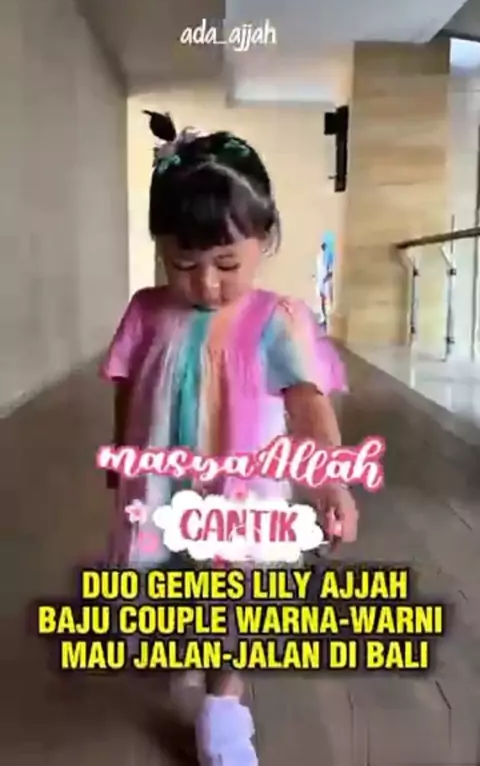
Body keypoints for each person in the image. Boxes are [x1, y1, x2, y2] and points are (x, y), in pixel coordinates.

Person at [100, 112, 358, 763]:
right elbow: (126, 386)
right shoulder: (146, 311)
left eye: (225, 263)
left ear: (263, 238)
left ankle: (224, 703)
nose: (207, 283)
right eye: (183, 263)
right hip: (159, 489)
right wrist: (119, 456)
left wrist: (331, 482)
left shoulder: (278, 319)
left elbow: (308, 404)